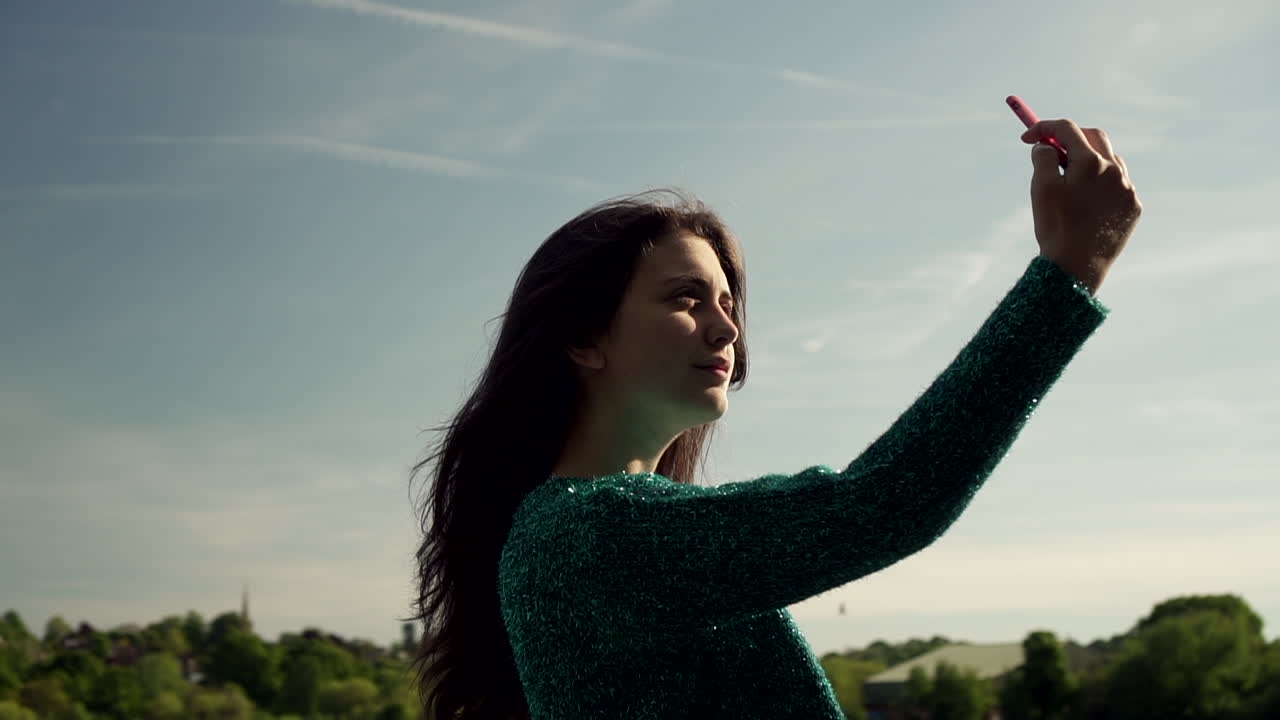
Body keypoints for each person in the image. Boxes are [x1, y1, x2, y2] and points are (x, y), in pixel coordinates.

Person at [403, 118, 1143, 719]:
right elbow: (884, 502)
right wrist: (1067, 275)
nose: (728, 330)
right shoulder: (588, 534)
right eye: (686, 299)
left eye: (728, 305)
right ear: (582, 337)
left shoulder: (595, 533)